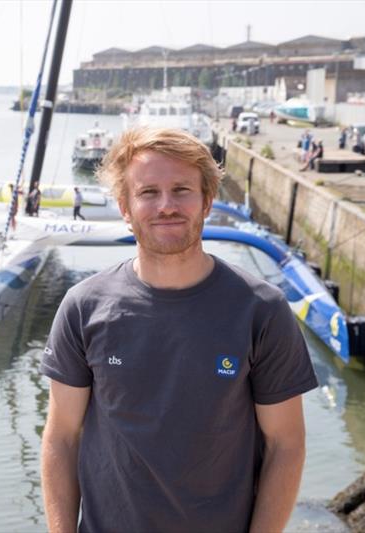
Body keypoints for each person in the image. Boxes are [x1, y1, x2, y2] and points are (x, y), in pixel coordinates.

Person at [40, 127, 316, 533]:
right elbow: (61, 438)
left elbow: (286, 445)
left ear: (206, 201)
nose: (166, 206)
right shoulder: (83, 307)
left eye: (182, 190)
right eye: (148, 192)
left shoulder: (262, 310)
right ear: (125, 206)